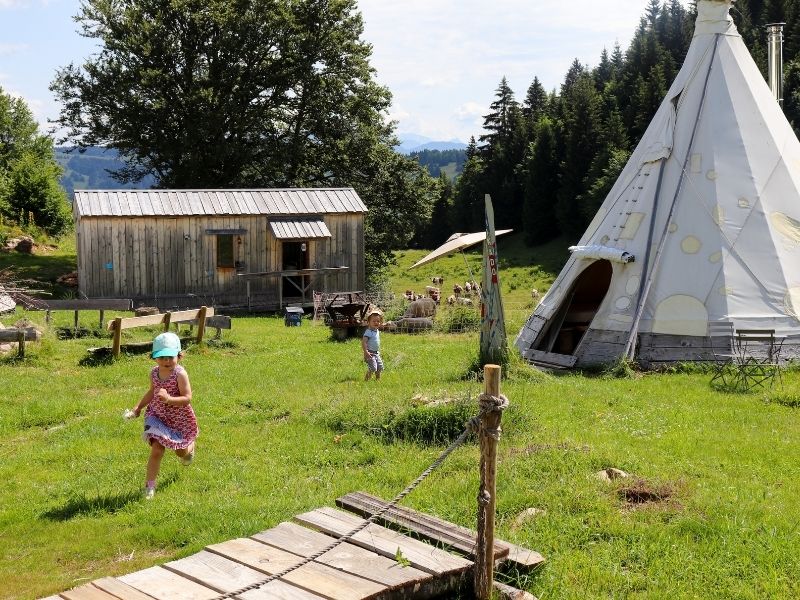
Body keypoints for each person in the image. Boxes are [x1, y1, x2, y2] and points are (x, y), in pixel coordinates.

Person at [129, 332, 198, 499]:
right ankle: (150, 487)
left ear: (179, 356)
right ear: (154, 357)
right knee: (157, 450)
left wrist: (169, 399)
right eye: (162, 357)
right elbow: (152, 392)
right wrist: (138, 408)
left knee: (181, 453)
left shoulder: (180, 374)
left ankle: (190, 448)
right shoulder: (154, 373)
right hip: (157, 415)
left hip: (178, 418)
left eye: (170, 357)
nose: (166, 361)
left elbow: (187, 398)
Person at [362, 308, 384, 381]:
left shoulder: (376, 331)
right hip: (370, 353)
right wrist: (366, 351)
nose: (376, 322)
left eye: (378, 321)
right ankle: (366, 380)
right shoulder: (368, 332)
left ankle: (378, 380)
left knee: (380, 367)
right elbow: (364, 342)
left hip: (376, 353)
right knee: (373, 368)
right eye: (374, 321)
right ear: (368, 322)